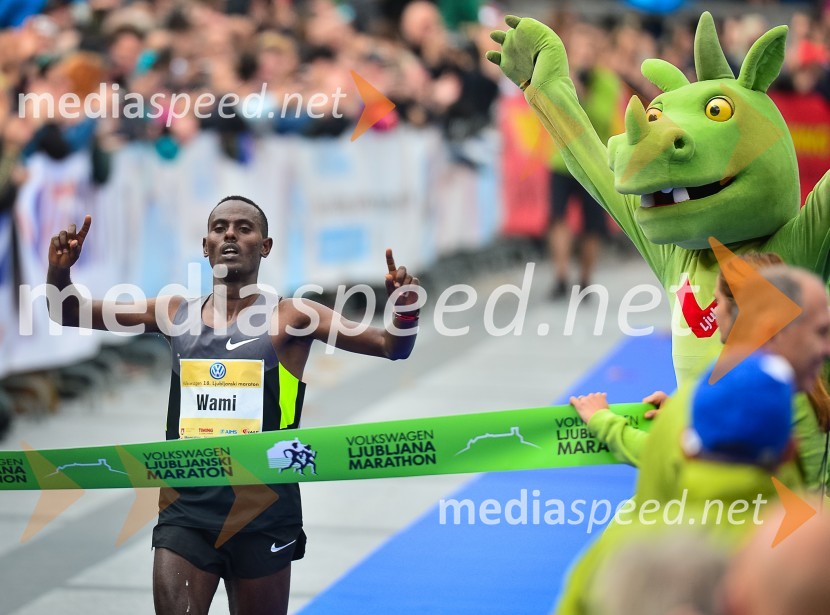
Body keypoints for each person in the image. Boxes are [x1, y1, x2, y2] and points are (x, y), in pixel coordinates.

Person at [46, 195, 421, 615]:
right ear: (204, 245)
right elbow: (67, 311)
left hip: (262, 510)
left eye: (244, 228)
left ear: (265, 245)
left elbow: (391, 347)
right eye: (220, 227)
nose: (230, 234)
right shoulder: (176, 314)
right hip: (185, 508)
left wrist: (405, 311)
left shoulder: (293, 317)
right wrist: (59, 270)